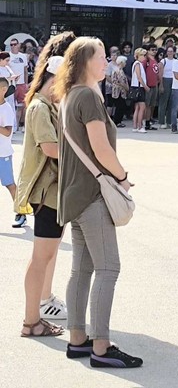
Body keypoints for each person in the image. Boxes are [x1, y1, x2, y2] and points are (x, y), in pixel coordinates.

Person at [55, 37, 142, 368]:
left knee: (82, 268)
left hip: (74, 195)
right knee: (108, 268)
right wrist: (122, 177)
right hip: (93, 196)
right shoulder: (89, 97)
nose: (107, 61)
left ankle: (77, 339)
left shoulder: (69, 96)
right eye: (101, 57)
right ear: (84, 62)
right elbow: (101, 148)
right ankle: (102, 346)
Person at [18, 55, 68, 338]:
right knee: (41, 257)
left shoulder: (46, 104)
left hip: (52, 192)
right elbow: (50, 148)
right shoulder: (39, 106)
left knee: (44, 256)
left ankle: (32, 319)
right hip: (46, 193)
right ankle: (30, 321)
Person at [0, 74, 21, 228]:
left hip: (3, 154)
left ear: (3, 90)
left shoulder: (6, 109)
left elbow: (7, 132)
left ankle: (21, 212)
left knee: (10, 185)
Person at [129, 48, 148, 133]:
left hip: (135, 87)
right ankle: (140, 126)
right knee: (142, 107)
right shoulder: (138, 64)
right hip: (139, 87)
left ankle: (135, 126)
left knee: (137, 107)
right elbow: (139, 76)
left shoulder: (137, 64)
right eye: (143, 55)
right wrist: (145, 86)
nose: (144, 57)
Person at [156, 46, 175, 129]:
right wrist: (161, 84)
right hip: (165, 80)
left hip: (173, 81)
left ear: (174, 52)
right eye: (168, 51)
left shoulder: (176, 61)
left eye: (171, 51)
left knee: (171, 102)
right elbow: (160, 72)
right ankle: (161, 121)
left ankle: (169, 121)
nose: (170, 53)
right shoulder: (163, 61)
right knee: (163, 102)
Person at [110, 57, 129, 127]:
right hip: (118, 91)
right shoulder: (118, 70)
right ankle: (117, 121)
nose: (125, 64)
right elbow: (121, 81)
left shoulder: (120, 70)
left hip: (121, 91)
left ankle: (118, 121)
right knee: (120, 106)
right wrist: (127, 88)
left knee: (121, 106)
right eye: (124, 62)